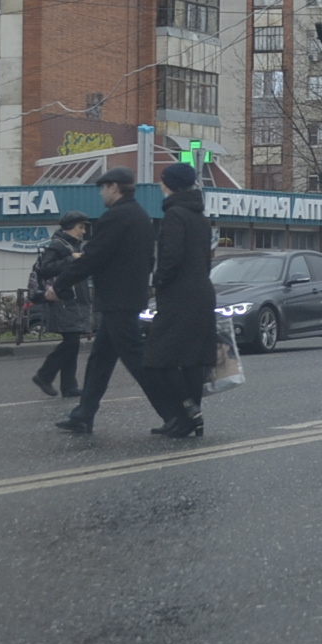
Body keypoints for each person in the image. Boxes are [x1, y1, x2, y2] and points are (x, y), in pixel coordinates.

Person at [51, 169, 181, 436]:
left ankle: (174, 414)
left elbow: (93, 257)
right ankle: (84, 415)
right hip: (127, 298)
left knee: (138, 360)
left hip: (118, 301)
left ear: (114, 188)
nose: (100, 194)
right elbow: (148, 260)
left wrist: (59, 284)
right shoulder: (141, 216)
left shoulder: (116, 217)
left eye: (103, 188)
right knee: (100, 359)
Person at [142, 164, 217, 438]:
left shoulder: (175, 215)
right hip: (202, 293)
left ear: (171, 185)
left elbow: (170, 258)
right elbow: (205, 260)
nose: (161, 187)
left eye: (163, 182)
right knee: (193, 360)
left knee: (157, 358)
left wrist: (158, 281)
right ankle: (191, 416)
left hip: (179, 296)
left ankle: (186, 411)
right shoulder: (200, 217)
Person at [28, 213, 94, 398]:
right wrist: (71, 259)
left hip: (73, 300)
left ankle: (69, 386)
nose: (83, 231)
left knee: (72, 342)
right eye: (80, 227)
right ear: (70, 227)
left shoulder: (73, 246)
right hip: (64, 301)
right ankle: (44, 375)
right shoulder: (58, 245)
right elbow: (46, 268)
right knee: (71, 342)